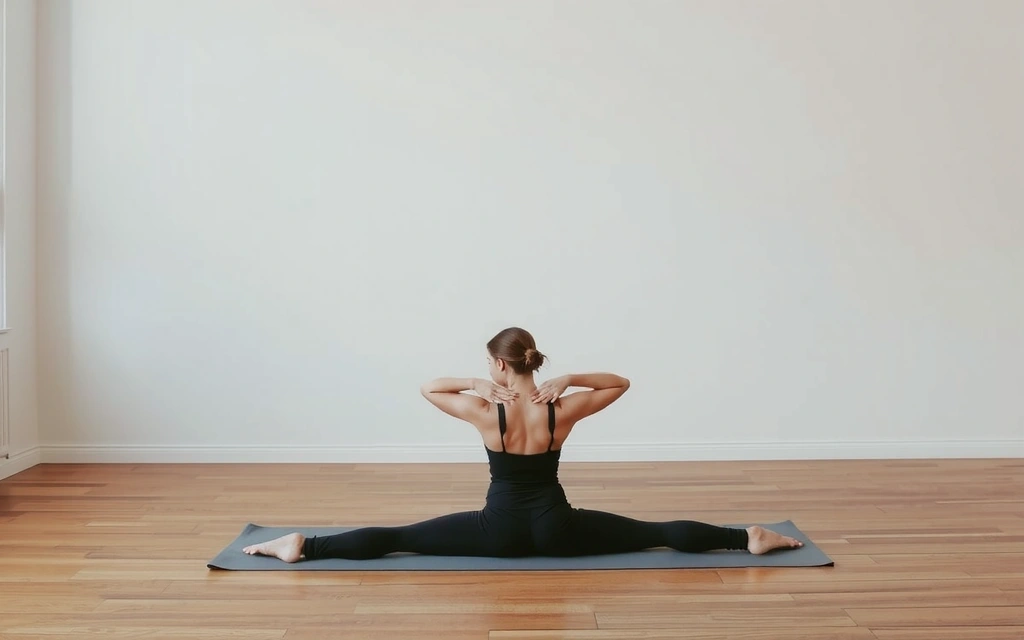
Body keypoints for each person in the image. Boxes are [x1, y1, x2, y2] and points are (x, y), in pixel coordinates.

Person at [243, 327, 803, 563]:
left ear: (500, 363)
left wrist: (473, 384)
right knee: (651, 534)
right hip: (558, 528)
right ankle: (746, 537)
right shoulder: (562, 408)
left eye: (490, 363)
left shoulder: (488, 411)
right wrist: (570, 378)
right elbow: (620, 383)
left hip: (499, 532)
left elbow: (425, 387)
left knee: (400, 538)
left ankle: (303, 547)